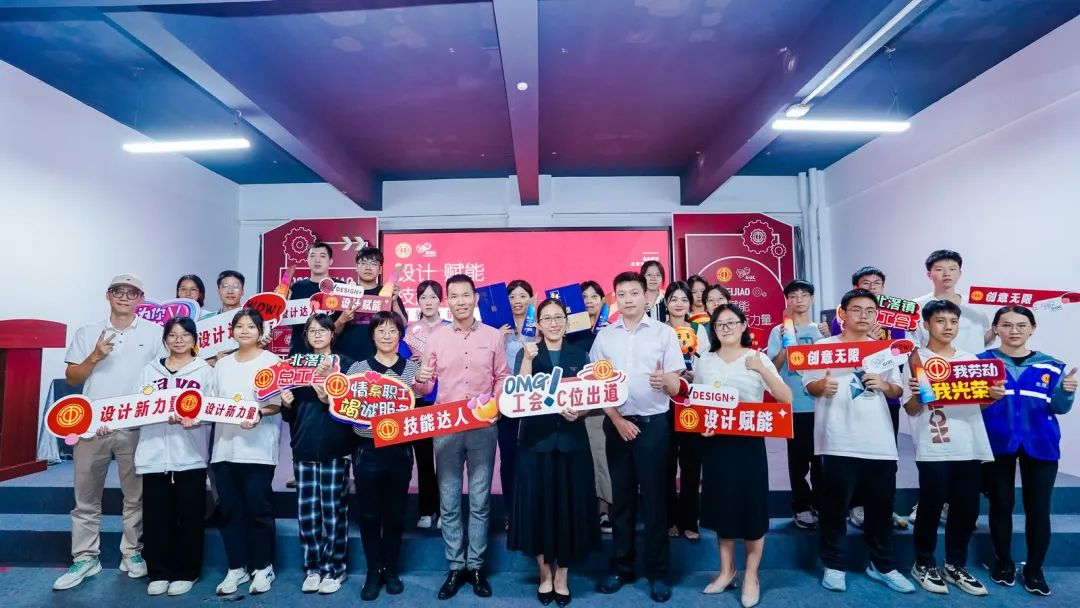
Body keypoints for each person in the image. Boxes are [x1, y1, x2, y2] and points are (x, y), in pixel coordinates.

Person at [53, 274, 161, 591]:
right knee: (85, 497)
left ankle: (133, 552)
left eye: (132, 292)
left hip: (134, 424)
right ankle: (85, 557)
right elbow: (73, 378)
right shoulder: (88, 332)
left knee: (135, 496)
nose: (124, 297)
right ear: (108, 295)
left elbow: (161, 377)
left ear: (141, 298)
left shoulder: (154, 333)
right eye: (118, 291)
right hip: (91, 426)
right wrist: (95, 356)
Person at [804, 289, 914, 595]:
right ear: (843, 314)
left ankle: (882, 565)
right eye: (856, 309)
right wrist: (822, 385)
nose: (863, 316)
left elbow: (898, 390)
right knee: (834, 508)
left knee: (881, 508)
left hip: (879, 442)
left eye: (869, 311)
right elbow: (808, 385)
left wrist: (885, 385)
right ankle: (834, 565)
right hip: (837, 440)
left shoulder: (885, 350)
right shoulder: (824, 347)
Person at [591, 271, 684, 603]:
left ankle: (658, 572)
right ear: (615, 298)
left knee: (656, 500)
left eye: (634, 293)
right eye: (622, 294)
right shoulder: (605, 337)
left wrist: (666, 382)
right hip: (617, 426)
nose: (628, 299)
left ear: (647, 297)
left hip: (653, 425)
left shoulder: (664, 333)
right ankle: (622, 566)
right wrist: (616, 419)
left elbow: (676, 381)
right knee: (622, 499)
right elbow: (596, 385)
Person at [697, 304, 792, 608]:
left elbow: (786, 398)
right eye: (719, 324)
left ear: (743, 325)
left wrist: (761, 369)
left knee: (752, 508)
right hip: (715, 445)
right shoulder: (705, 360)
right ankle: (727, 572)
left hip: (749, 445)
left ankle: (751, 575)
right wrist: (701, 425)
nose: (725, 328)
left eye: (731, 322)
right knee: (722, 508)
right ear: (714, 330)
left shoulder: (757, 357)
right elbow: (698, 403)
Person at [902, 300, 999, 596]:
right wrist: (918, 395)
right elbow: (911, 408)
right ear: (926, 325)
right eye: (940, 321)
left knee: (966, 509)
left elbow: (980, 404)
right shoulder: (915, 359)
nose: (948, 327)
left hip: (969, 445)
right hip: (934, 445)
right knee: (930, 507)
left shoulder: (970, 359)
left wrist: (992, 396)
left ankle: (955, 565)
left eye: (953, 322)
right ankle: (923, 563)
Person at [978, 306, 1076, 596]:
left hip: (1041, 443)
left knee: (1039, 509)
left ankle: (1034, 569)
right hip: (997, 442)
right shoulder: (981, 363)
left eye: (1021, 325)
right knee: (1001, 504)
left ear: (1032, 329)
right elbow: (970, 404)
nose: (1014, 331)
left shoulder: (1052, 366)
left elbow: (1059, 408)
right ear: (996, 328)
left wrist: (1066, 392)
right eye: (1007, 325)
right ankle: (1004, 562)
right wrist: (985, 395)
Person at [509, 298, 600, 607]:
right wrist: (527, 359)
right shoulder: (527, 352)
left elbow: (591, 397)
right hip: (536, 443)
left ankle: (562, 575)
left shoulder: (580, 354)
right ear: (538, 324)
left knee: (569, 509)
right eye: (546, 318)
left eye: (558, 317)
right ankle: (544, 574)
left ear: (566, 321)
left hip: (572, 443)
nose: (553, 323)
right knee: (538, 508)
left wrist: (581, 412)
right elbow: (519, 394)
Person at [426, 274, 511, 600]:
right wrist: (421, 378)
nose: (460, 301)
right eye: (454, 296)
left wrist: (496, 406)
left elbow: (502, 376)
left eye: (466, 295)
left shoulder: (493, 336)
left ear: (475, 299)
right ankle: (454, 566)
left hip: (482, 427)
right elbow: (425, 383)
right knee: (448, 501)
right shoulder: (435, 337)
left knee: (479, 500)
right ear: (447, 301)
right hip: (445, 427)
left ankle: (475, 567)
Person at [122, 317, 214, 596]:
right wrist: (110, 421)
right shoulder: (149, 371)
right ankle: (159, 572)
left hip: (190, 456)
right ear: (165, 340)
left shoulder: (204, 372)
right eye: (173, 335)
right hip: (153, 456)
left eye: (185, 335)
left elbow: (212, 411)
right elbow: (132, 408)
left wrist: (197, 419)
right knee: (156, 518)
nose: (179, 340)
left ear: (194, 340)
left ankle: (188, 572)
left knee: (190, 517)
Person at [346, 311, 434, 600]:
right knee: (369, 514)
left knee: (395, 514)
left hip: (399, 450)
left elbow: (422, 398)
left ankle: (391, 569)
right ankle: (373, 571)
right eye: (381, 330)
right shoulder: (358, 369)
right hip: (367, 449)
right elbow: (345, 405)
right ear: (372, 335)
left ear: (400, 336)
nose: (386, 335)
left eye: (392, 330)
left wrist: (421, 382)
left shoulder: (411, 369)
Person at [280, 314, 357, 595]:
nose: (317, 334)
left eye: (323, 330)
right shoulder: (294, 366)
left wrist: (329, 396)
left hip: (336, 446)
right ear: (306, 336)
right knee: (307, 512)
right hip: (303, 446)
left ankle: (335, 568)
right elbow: (290, 416)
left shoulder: (346, 364)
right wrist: (286, 403)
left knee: (334, 511)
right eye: (312, 330)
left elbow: (353, 406)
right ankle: (312, 568)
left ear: (332, 334)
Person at [211, 309, 282, 596]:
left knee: (258, 510)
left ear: (260, 331)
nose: (244, 331)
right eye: (239, 326)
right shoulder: (222, 365)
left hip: (258, 449)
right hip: (224, 449)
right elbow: (212, 403)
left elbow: (276, 404)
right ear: (232, 331)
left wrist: (258, 413)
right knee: (229, 511)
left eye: (251, 326)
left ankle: (263, 567)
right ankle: (236, 567)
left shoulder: (272, 362)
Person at [830, 266, 905, 530]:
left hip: (885, 401)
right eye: (866, 283)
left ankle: (885, 508)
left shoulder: (898, 321)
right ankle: (856, 506)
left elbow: (900, 358)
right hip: (847, 402)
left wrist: (879, 346)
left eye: (877, 283)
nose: (872, 287)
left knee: (884, 460)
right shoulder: (841, 319)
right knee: (848, 461)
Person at [766, 280, 824, 530]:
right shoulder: (778, 331)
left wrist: (829, 337)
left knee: (821, 459)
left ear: (812, 298)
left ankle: (821, 504)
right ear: (787, 300)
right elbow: (772, 368)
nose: (799, 300)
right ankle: (801, 506)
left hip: (822, 405)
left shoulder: (821, 330)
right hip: (794, 405)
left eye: (804, 295)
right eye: (793, 296)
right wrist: (784, 346)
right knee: (798, 461)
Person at [662, 281, 710, 541]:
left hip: (693, 403)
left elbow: (707, 362)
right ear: (666, 303)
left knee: (691, 465)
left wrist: (694, 375)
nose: (679, 304)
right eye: (674, 299)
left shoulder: (698, 329)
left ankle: (690, 522)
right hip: (664, 404)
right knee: (666, 465)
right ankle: (669, 520)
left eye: (684, 299)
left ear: (690, 304)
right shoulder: (658, 330)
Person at [401, 279, 450, 530]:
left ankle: (445, 511)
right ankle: (426, 510)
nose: (428, 302)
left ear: (440, 300)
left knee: (446, 458)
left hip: (446, 399)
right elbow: (401, 362)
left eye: (433, 297)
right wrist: (415, 368)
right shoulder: (409, 331)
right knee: (423, 457)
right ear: (417, 301)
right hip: (419, 399)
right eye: (423, 297)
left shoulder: (451, 328)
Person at [569, 280, 613, 534]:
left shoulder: (610, 330)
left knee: (600, 458)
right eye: (584, 297)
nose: (589, 301)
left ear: (602, 300)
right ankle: (581, 512)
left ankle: (604, 511)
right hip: (573, 404)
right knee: (577, 460)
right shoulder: (570, 330)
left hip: (599, 405)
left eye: (594, 296)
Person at [497, 279, 534, 527]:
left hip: (534, 399)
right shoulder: (498, 329)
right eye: (512, 296)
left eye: (522, 296)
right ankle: (511, 512)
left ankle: (532, 511)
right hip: (507, 400)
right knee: (508, 457)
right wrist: (497, 339)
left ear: (530, 299)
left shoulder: (539, 326)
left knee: (533, 456)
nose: (517, 301)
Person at [333, 246, 406, 364]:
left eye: (373, 264)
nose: (368, 267)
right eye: (363, 263)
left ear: (380, 269)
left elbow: (403, 325)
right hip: (346, 358)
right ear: (356, 267)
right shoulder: (345, 293)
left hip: (380, 360)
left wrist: (394, 301)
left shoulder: (387, 293)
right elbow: (332, 331)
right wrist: (342, 319)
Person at [912, 250, 993, 354]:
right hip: (935, 363)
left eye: (952, 269)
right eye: (939, 269)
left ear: (959, 273)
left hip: (973, 363)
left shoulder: (975, 304)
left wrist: (996, 330)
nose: (947, 274)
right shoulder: (916, 306)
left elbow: (982, 341)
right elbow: (913, 345)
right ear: (929, 274)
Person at [288, 241, 341, 356]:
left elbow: (346, 324)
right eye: (312, 256)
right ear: (307, 260)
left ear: (330, 261)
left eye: (322, 256)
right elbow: (288, 322)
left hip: (332, 355)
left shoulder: (341, 288)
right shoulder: (296, 288)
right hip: (300, 353)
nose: (317, 260)